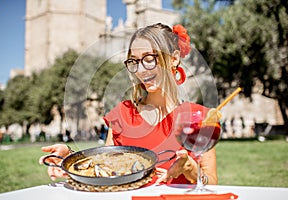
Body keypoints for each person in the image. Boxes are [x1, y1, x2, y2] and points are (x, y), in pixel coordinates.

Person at [39, 23, 219, 185]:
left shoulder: (201, 117)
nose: (140, 70)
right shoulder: (122, 114)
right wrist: (69, 159)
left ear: (174, 59)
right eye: (134, 61)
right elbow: (104, 169)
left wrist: (192, 171)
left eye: (149, 58)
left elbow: (212, 183)